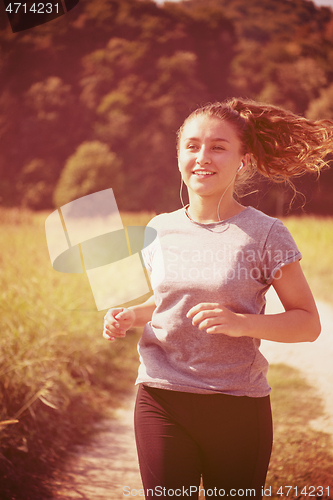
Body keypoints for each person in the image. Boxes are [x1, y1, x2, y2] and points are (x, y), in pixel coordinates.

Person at [103, 98, 333, 499]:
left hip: (237, 406)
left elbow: (308, 322)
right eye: (192, 146)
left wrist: (243, 323)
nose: (202, 157)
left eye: (218, 147)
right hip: (161, 397)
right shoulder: (159, 229)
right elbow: (169, 303)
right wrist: (130, 314)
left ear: (243, 160)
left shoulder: (265, 233)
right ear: (178, 156)